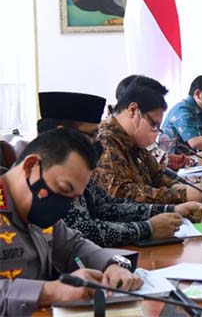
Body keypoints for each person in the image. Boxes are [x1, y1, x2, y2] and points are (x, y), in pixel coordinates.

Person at [0, 128, 142, 315]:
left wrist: (112, 264)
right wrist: (49, 291)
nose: (64, 204)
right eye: (64, 189)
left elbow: (74, 247)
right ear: (30, 166)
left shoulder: (38, 209)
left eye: (73, 197)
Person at [38, 91, 202, 247]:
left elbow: (108, 206)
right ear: (61, 134)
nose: (96, 142)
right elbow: (84, 231)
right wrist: (146, 228)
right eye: (90, 135)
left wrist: (172, 209)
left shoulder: (73, 168)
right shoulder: (44, 175)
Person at [93, 79, 202, 204]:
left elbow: (156, 174)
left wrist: (178, 186)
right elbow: (120, 193)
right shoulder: (105, 141)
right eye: (153, 125)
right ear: (133, 110)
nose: (155, 132)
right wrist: (180, 195)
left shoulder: (133, 141)